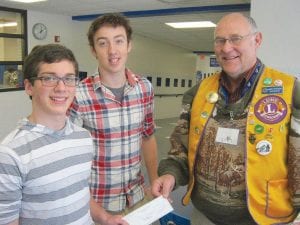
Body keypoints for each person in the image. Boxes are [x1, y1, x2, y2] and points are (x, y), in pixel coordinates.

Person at [152, 12, 300, 225]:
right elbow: (180, 149)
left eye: (235, 38)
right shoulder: (197, 93)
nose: (226, 47)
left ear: (256, 40)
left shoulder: (290, 91)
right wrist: (171, 174)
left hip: (266, 218)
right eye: (220, 40)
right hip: (204, 216)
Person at [0, 44, 126, 225]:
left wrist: (105, 218)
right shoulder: (10, 154)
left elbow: (79, 193)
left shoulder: (83, 137)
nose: (61, 88)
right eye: (49, 78)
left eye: (69, 79)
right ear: (29, 86)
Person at [68, 13, 158, 224]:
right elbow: (70, 159)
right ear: (93, 50)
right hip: (98, 205)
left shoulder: (144, 88)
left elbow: (148, 137)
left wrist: (154, 181)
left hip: (136, 198)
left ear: (129, 45)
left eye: (119, 41)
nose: (112, 51)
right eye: (103, 43)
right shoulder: (79, 95)